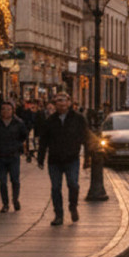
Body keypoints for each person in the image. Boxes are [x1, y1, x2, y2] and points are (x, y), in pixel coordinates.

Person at [37, 92, 92, 224]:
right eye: (58, 101)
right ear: (54, 104)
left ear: (69, 102)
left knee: (73, 184)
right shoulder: (50, 120)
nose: (61, 103)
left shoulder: (78, 119)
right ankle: (59, 214)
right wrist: (40, 158)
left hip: (72, 158)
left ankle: (73, 207)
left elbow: (86, 137)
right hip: (54, 159)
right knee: (56, 187)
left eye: (64, 100)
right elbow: (44, 140)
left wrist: (88, 157)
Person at [0, 100, 29, 213]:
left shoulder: (18, 123)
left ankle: (15, 199)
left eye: (8, 109)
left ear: (13, 110)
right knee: (2, 181)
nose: (6, 111)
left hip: (13, 156)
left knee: (15, 180)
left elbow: (24, 135)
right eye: (3, 109)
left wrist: (18, 145)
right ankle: (5, 204)